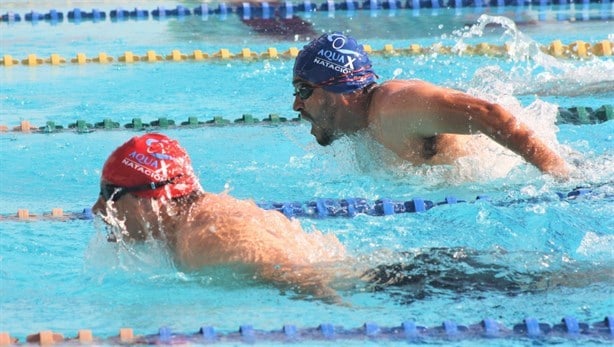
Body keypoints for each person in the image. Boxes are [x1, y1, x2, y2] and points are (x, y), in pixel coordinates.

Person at [92, 133, 348, 303]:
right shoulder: (193, 220)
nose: (98, 208)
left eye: (110, 194)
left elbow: (308, 281)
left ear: (151, 200)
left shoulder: (207, 239)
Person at [292, 32, 569, 178]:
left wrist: (559, 175)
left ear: (337, 89)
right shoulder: (361, 128)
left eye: (303, 90)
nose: (296, 105)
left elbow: (490, 114)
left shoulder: (395, 107)